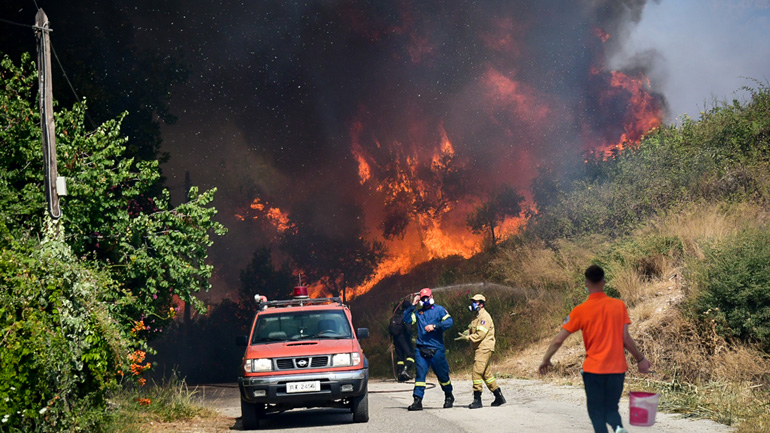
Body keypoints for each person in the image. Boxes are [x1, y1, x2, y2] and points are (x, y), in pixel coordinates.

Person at [538, 265, 652, 433]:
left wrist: (546, 359)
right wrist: (640, 359)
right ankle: (619, 427)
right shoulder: (618, 305)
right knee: (611, 407)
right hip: (616, 369)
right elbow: (625, 339)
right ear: (604, 281)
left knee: (596, 411)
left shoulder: (580, 311)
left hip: (593, 370)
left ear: (586, 282)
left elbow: (558, 340)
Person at [403, 287, 455, 411]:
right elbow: (406, 320)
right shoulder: (418, 313)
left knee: (442, 376)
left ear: (431, 297)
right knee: (420, 375)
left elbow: (449, 322)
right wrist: (412, 305)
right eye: (423, 298)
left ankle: (449, 395)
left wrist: (435, 326)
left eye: (427, 297)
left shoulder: (439, 310)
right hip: (421, 350)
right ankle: (417, 400)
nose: (425, 300)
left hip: (437, 349)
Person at [454, 293, 506, 408]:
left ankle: (477, 400)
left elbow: (480, 334)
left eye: (475, 302)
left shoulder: (484, 317)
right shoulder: (476, 316)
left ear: (481, 304)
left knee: (476, 372)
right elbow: (471, 328)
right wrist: (466, 333)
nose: (473, 304)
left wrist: (468, 338)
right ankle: (499, 396)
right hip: (479, 348)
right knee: (486, 374)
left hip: (484, 347)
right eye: (472, 301)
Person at [389, 299, 415, 382]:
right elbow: (408, 327)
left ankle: (400, 375)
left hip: (396, 339)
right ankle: (406, 370)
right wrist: (411, 334)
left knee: (400, 357)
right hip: (404, 337)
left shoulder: (396, 314)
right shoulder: (406, 314)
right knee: (411, 354)